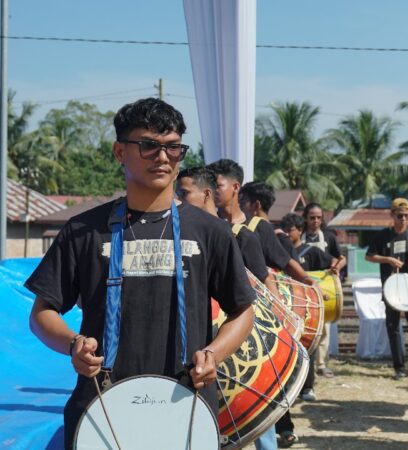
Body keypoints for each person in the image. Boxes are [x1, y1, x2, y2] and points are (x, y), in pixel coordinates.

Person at [27, 98, 255, 449]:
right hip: (101, 405)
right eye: (149, 146)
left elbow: (242, 310)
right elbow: (42, 313)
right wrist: (74, 345)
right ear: (120, 151)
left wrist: (213, 354)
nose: (163, 158)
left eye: (173, 148)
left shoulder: (211, 232)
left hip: (186, 405)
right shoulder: (84, 230)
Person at [175, 166, 281, 449]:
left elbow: (264, 283)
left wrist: (270, 332)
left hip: (238, 343)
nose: (177, 199)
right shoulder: (176, 236)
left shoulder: (238, 236)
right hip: (198, 342)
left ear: (205, 193)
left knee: (255, 416)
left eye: (183, 193)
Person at [208, 160, 310, 284]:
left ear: (235, 187)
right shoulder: (208, 224)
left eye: (218, 186)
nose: (212, 190)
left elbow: (285, 261)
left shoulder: (259, 226)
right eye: (210, 186)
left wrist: (307, 280)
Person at [366, 198, 408, 380]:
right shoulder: (382, 235)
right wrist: (388, 259)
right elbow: (369, 256)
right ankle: (399, 368)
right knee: (393, 327)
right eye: (399, 215)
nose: (403, 219)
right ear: (392, 215)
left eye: (406, 215)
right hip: (391, 289)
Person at [281, 213, 343, 403]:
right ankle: (290, 387)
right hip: (289, 306)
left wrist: (335, 267)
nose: (286, 234)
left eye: (290, 230)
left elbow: (334, 260)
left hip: (310, 308)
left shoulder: (311, 252)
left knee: (310, 346)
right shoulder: (281, 251)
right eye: (284, 230)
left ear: (299, 231)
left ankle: (308, 388)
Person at [301, 202, 347, 378]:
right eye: (312, 218)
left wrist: (337, 267)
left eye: (319, 218)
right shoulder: (299, 236)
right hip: (304, 287)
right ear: (305, 218)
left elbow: (341, 259)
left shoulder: (329, 237)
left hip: (325, 288)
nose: (315, 221)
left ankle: (321, 364)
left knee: (325, 328)